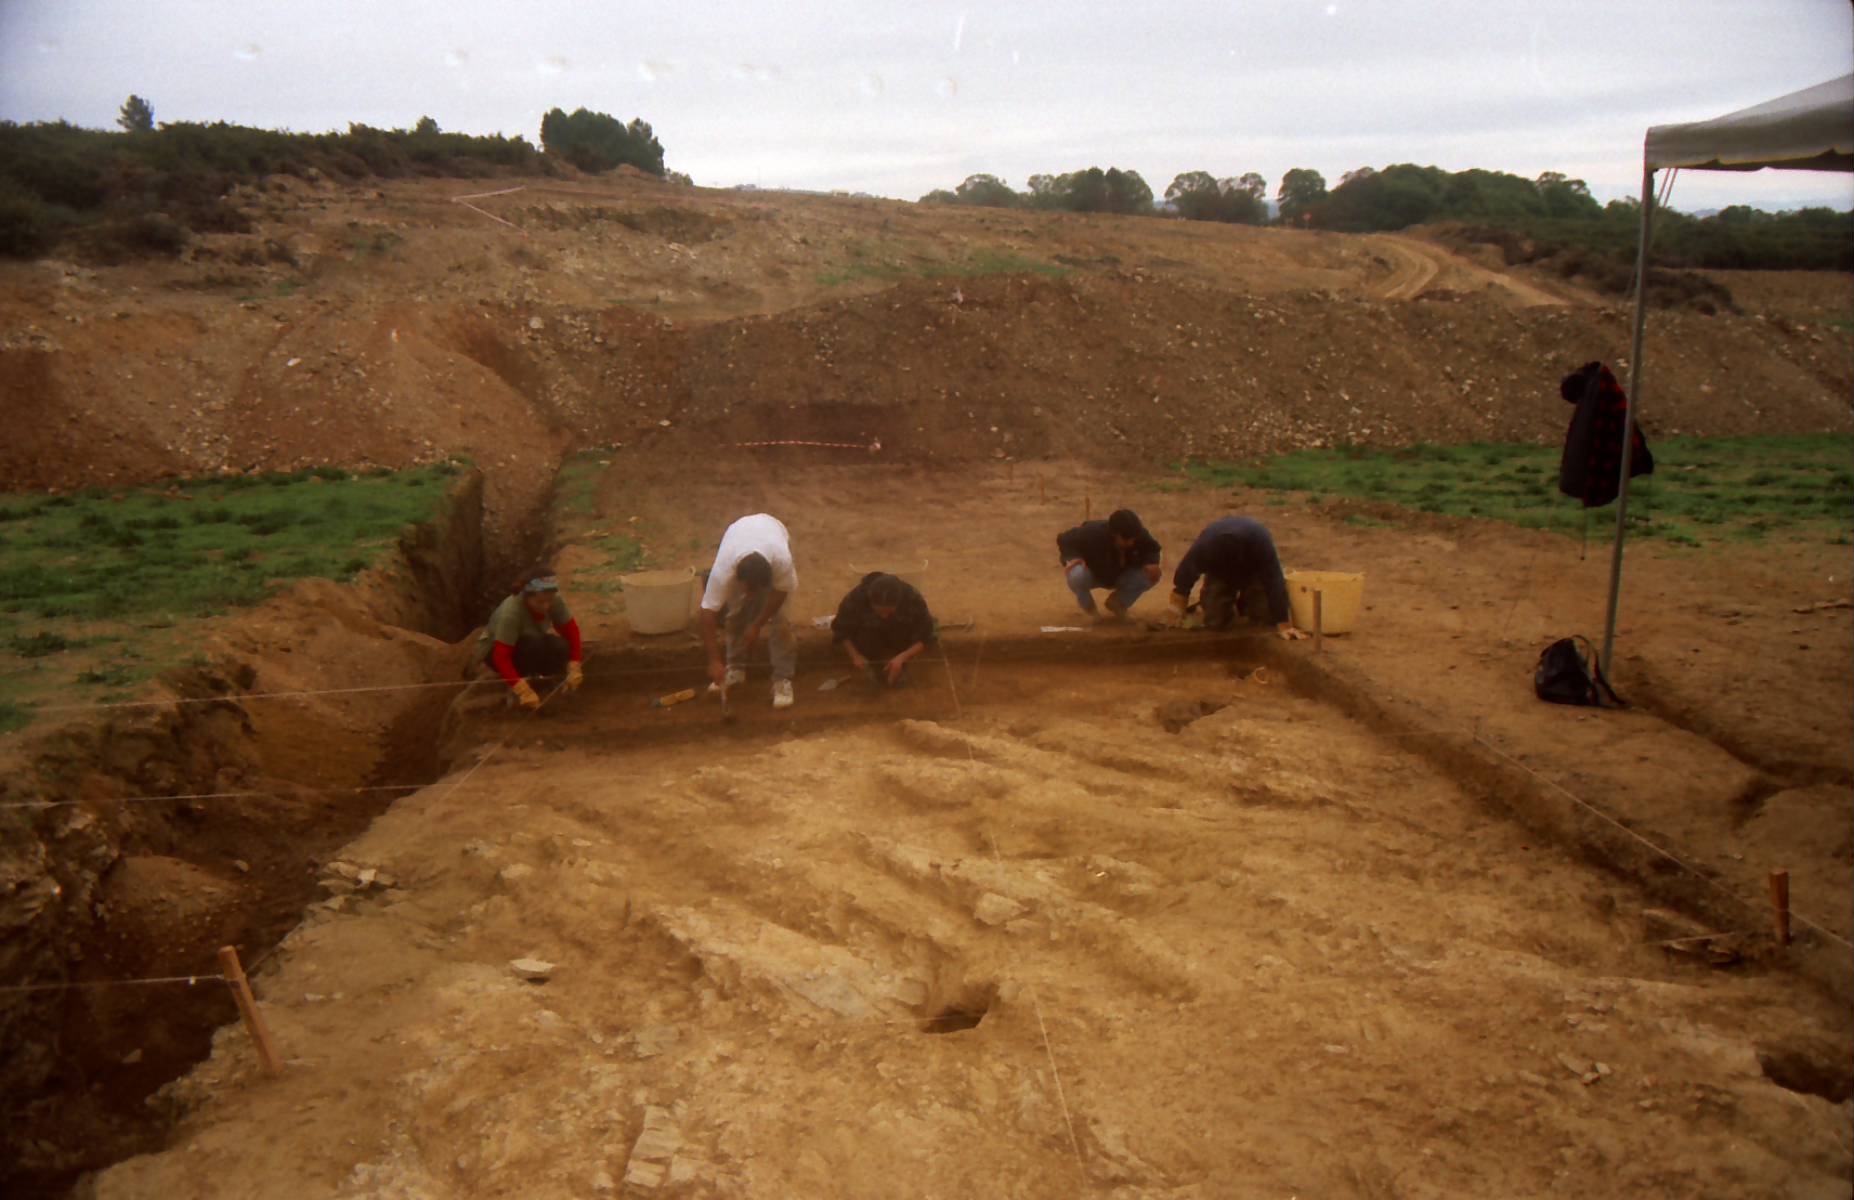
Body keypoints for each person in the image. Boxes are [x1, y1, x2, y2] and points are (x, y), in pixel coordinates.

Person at [700, 513, 798, 709]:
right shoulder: (724, 570)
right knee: (735, 614)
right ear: (738, 579)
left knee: (782, 622)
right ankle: (734, 668)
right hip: (738, 532)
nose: (753, 596)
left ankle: (782, 680)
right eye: (749, 589)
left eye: (758, 590)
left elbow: (780, 593)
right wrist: (714, 660)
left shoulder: (781, 560)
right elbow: (707, 613)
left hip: (773, 529)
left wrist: (757, 624)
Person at [1167, 517, 1309, 640]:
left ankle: (1247, 602)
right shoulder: (1205, 548)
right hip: (1221, 574)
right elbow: (1184, 576)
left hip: (1254, 572)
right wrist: (1177, 609)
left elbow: (1275, 581)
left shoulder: (1260, 543)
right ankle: (1218, 600)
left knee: (1267, 618)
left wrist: (1283, 624)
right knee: (1215, 623)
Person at [474, 570, 584, 708]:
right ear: (526, 597)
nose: (546, 606)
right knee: (533, 646)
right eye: (540, 602)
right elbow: (501, 657)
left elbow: (571, 632)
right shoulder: (511, 613)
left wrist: (575, 664)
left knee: (560, 647)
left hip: (531, 640)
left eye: (549, 600)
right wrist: (521, 689)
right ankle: (518, 684)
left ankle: (544, 682)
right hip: (494, 650)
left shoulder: (554, 600)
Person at [832, 572, 935, 687]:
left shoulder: (911, 597)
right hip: (869, 633)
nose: (884, 616)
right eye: (879, 612)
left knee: (903, 633)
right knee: (866, 637)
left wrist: (902, 657)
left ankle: (898, 664)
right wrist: (855, 655)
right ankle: (872, 664)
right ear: (870, 602)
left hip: (899, 633)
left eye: (889, 612)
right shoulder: (857, 598)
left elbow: (926, 634)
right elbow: (841, 630)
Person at [1056, 508, 1163, 619]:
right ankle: (1092, 613)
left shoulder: (1138, 534)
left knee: (1151, 575)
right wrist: (1073, 557)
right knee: (1076, 574)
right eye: (1126, 539)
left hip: (1121, 575)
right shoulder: (1092, 532)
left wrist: (1152, 562)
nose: (1132, 542)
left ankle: (1118, 603)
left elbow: (1153, 549)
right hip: (1093, 574)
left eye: (1134, 539)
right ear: (1114, 534)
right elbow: (1064, 539)